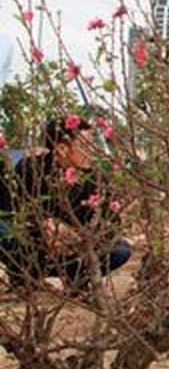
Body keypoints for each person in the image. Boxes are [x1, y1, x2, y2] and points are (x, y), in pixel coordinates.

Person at [0, 117, 131, 294]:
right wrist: (43, 225)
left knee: (120, 250)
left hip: (75, 252)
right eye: (85, 146)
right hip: (35, 249)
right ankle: (24, 278)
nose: (92, 152)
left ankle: (77, 281)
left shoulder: (95, 179)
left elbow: (111, 224)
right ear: (62, 148)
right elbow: (11, 209)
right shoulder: (30, 169)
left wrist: (78, 236)